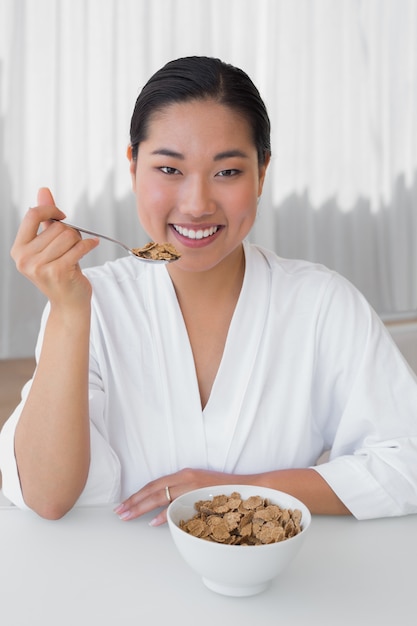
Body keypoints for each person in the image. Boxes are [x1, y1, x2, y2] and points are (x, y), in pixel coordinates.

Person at [1, 56, 417, 524]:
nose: (197, 205)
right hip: (115, 585)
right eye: (169, 169)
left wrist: (242, 492)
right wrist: (68, 312)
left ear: (262, 172)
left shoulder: (320, 302)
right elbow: (46, 495)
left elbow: (405, 463)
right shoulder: (90, 300)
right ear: (133, 166)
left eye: (227, 172)